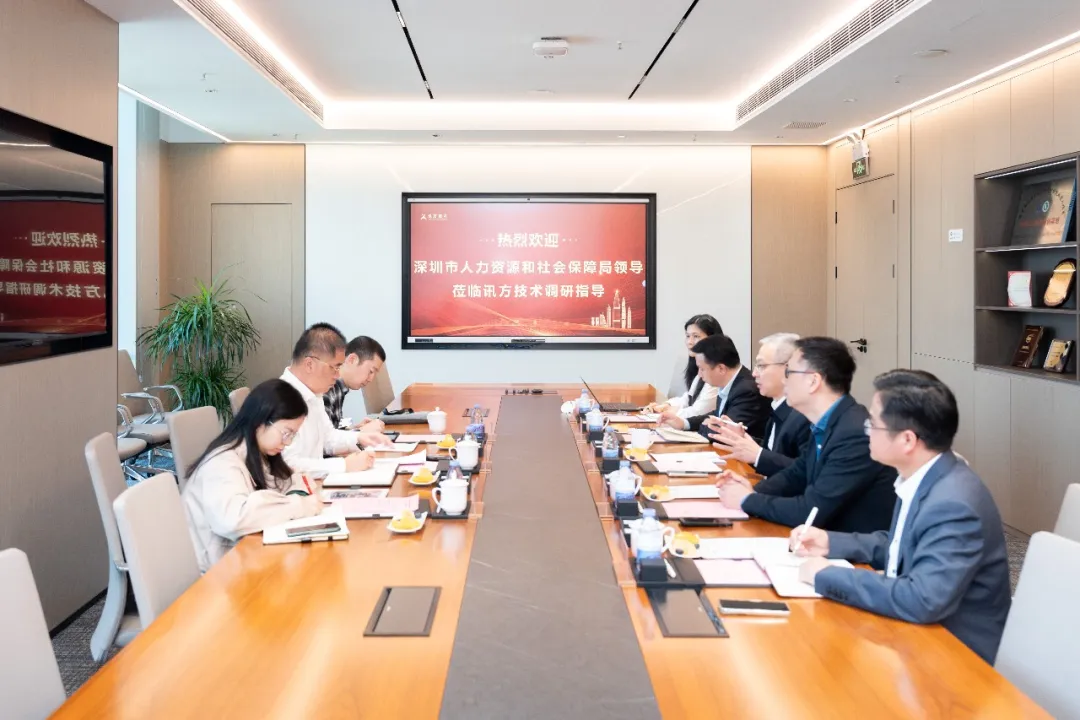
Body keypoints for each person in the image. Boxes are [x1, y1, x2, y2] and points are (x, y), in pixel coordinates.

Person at [792, 369, 1011, 665]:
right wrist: (831, 542)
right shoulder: (925, 475)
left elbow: (922, 599)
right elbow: (902, 545)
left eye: (873, 424)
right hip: (920, 635)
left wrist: (827, 575)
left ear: (907, 440)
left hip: (956, 656)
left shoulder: (953, 503)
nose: (866, 431)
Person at [716, 336, 895, 532]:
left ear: (813, 381)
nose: (784, 380)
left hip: (846, 545)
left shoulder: (853, 433)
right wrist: (752, 490)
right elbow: (797, 474)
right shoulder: (827, 421)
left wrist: (747, 499)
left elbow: (810, 511)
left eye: (789, 373)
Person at [182, 379, 324, 572]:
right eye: (286, 433)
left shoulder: (257, 453)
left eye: (292, 435)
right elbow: (233, 520)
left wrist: (296, 497)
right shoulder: (222, 463)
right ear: (261, 421)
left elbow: (289, 480)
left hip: (240, 558)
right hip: (216, 573)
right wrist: (297, 505)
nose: (288, 442)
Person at [280, 323, 390, 475]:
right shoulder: (282, 398)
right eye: (335, 367)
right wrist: (344, 465)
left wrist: (359, 438)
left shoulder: (314, 393)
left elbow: (328, 438)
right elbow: (287, 465)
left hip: (314, 482)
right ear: (310, 364)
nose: (338, 375)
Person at [708, 333, 811, 477]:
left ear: (788, 368)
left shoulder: (805, 414)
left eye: (761, 366)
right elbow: (773, 452)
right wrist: (742, 439)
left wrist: (758, 455)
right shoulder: (778, 406)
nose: (754, 373)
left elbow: (808, 472)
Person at [658, 334, 771, 441]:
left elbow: (723, 433)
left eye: (702, 369)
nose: (699, 374)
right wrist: (684, 423)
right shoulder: (729, 383)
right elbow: (717, 416)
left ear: (721, 369)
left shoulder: (747, 390)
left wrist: (706, 425)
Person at [647, 314, 722, 420]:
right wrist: (666, 405)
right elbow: (688, 398)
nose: (689, 342)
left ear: (712, 339)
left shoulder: (717, 371)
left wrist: (670, 412)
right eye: (688, 336)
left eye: (696, 336)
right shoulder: (702, 367)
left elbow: (699, 412)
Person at [323, 335, 387, 432]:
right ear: (352, 360)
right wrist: (361, 432)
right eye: (371, 371)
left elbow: (332, 431)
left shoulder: (338, 388)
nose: (371, 379)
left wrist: (356, 428)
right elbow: (324, 440)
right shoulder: (325, 388)